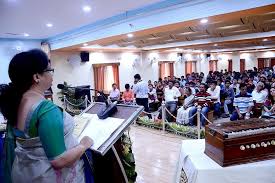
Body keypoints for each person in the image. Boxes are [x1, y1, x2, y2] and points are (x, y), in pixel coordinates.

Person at [0, 49, 94, 182]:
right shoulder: (46, 110)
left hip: (24, 172)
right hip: (49, 177)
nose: (52, 74)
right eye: (49, 70)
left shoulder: (15, 103)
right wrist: (84, 145)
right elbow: (59, 160)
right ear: (37, 77)